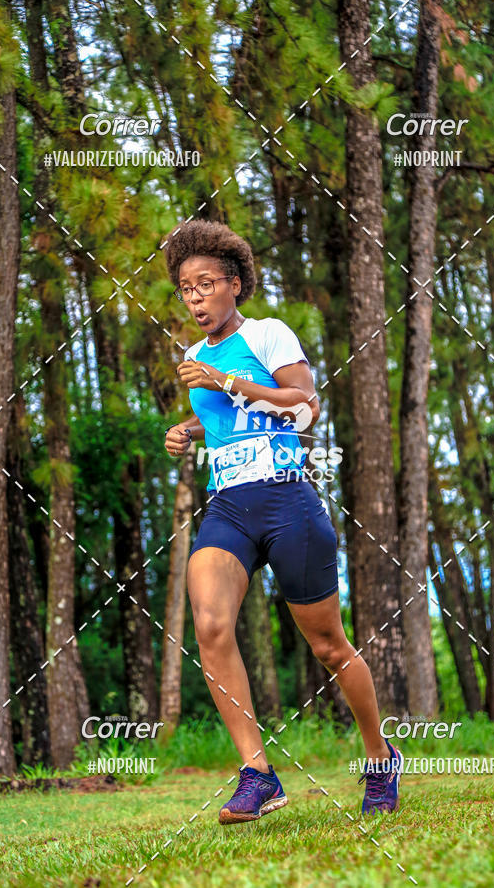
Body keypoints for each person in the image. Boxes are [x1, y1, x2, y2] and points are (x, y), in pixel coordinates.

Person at [163, 219, 403, 824]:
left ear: (234, 284)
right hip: (229, 506)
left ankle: (379, 756)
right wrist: (190, 431)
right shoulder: (194, 355)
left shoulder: (268, 335)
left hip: (288, 501)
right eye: (185, 289)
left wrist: (223, 380)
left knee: (328, 645)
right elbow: (232, 421)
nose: (195, 298)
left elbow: (302, 406)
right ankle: (258, 775)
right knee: (211, 626)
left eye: (206, 284)